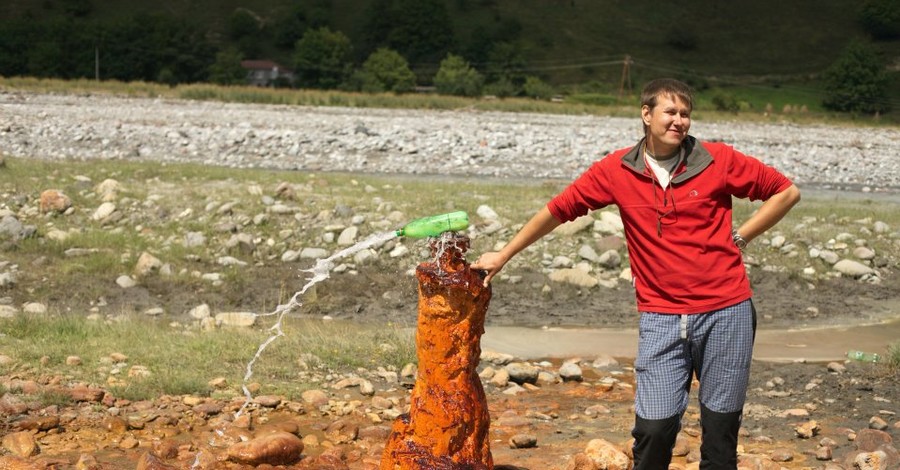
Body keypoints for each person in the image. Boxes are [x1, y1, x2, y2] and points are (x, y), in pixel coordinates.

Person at [471, 78, 800, 469]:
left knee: (720, 435)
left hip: (727, 313)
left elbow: (786, 192)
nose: (679, 121)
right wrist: (504, 254)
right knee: (654, 432)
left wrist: (741, 237)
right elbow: (559, 209)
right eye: (670, 112)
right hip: (661, 317)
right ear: (646, 115)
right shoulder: (617, 170)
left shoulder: (718, 159)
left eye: (685, 114)